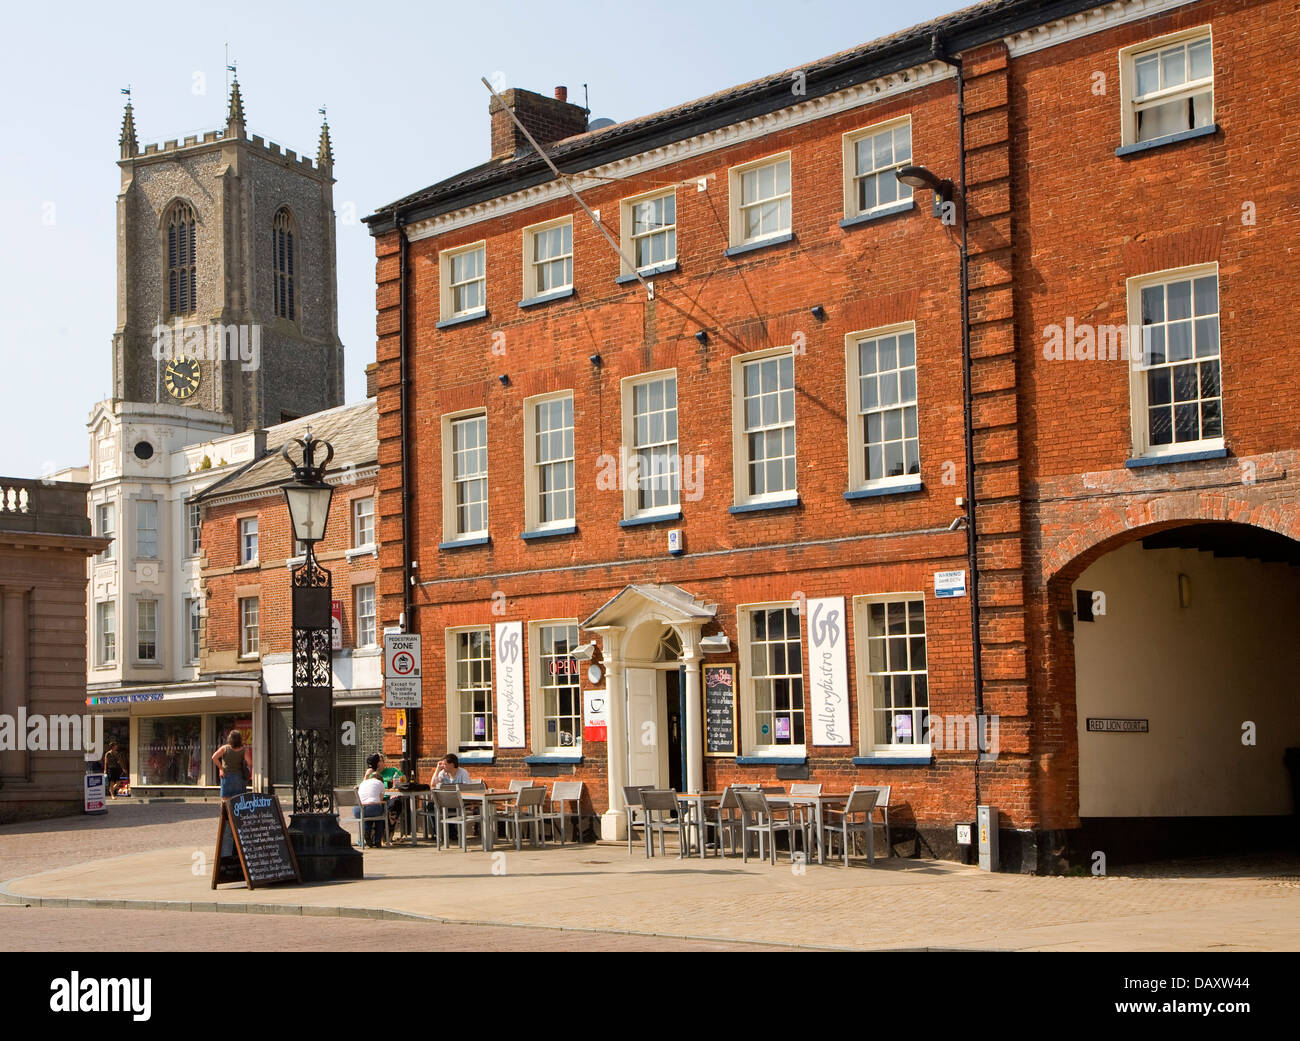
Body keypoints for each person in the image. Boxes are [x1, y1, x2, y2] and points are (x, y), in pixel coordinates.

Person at [353, 753, 387, 847]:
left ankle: (366, 833)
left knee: (367, 814)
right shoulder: (379, 782)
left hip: (357, 809)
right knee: (380, 813)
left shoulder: (364, 782)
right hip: (371, 807)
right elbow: (380, 800)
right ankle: (377, 840)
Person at [211, 730, 250, 799]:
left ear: (229, 738)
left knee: (225, 799)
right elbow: (249, 762)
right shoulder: (244, 750)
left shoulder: (225, 748)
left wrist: (221, 768)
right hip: (239, 776)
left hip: (226, 775)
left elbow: (214, 757)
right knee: (239, 799)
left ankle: (225, 810)